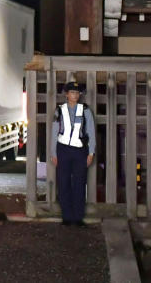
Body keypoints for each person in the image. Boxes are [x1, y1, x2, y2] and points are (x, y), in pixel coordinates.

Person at [49, 80, 96, 226]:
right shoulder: (59, 110)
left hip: (80, 150)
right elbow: (54, 132)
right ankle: (67, 216)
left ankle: (78, 217)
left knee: (79, 183)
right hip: (63, 149)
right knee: (63, 183)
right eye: (72, 93)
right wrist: (53, 153)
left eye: (77, 93)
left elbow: (91, 132)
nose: (74, 95)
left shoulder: (85, 110)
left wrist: (91, 152)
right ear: (66, 94)